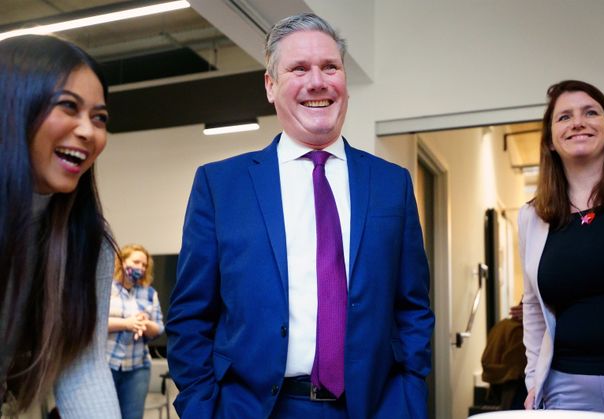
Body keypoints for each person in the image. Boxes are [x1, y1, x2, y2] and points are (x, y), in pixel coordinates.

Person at [166, 12, 434, 419]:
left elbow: (412, 306)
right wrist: (203, 409)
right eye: (299, 69)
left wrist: (410, 399)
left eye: (331, 67)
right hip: (253, 410)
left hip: (374, 408)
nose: (317, 82)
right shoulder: (220, 186)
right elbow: (190, 317)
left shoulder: (391, 184)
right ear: (271, 86)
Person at [0, 35, 121, 418]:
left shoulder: (87, 242)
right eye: (68, 107)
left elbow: (82, 368)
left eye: (99, 118)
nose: (88, 132)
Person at [518, 79, 604, 416]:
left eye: (590, 112)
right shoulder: (531, 217)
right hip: (565, 390)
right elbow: (533, 308)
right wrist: (532, 380)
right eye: (564, 117)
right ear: (550, 141)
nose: (578, 122)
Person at [107, 244, 164, 419]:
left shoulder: (149, 293)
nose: (140, 267)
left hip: (138, 368)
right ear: (122, 262)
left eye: (144, 265)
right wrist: (127, 323)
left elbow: (159, 328)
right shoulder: (106, 288)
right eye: (136, 262)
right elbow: (95, 324)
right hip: (107, 366)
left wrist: (144, 323)